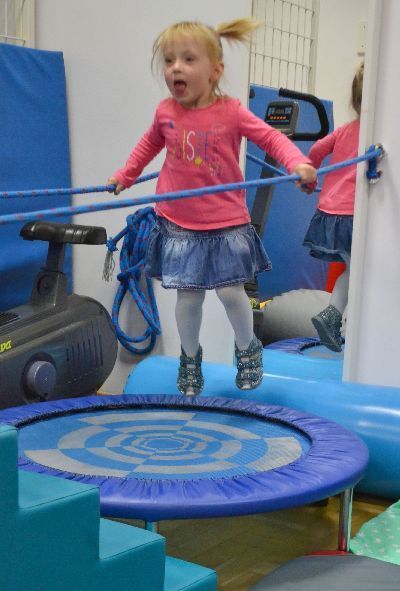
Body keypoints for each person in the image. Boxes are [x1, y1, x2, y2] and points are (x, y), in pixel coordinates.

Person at [108, 18, 317, 396]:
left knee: (231, 293)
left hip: (225, 222)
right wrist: (126, 175)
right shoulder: (166, 112)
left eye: (188, 59)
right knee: (188, 297)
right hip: (180, 222)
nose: (176, 68)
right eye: (169, 60)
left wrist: (297, 163)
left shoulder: (231, 112)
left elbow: (271, 139)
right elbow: (147, 145)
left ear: (215, 71)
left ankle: (247, 348)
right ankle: (190, 358)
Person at [303, 63, 364, 352]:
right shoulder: (378, 136)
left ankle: (335, 315)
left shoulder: (344, 131)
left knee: (354, 268)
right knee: (361, 270)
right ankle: (333, 314)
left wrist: (311, 172)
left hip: (330, 214)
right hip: (352, 216)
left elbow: (316, 150)